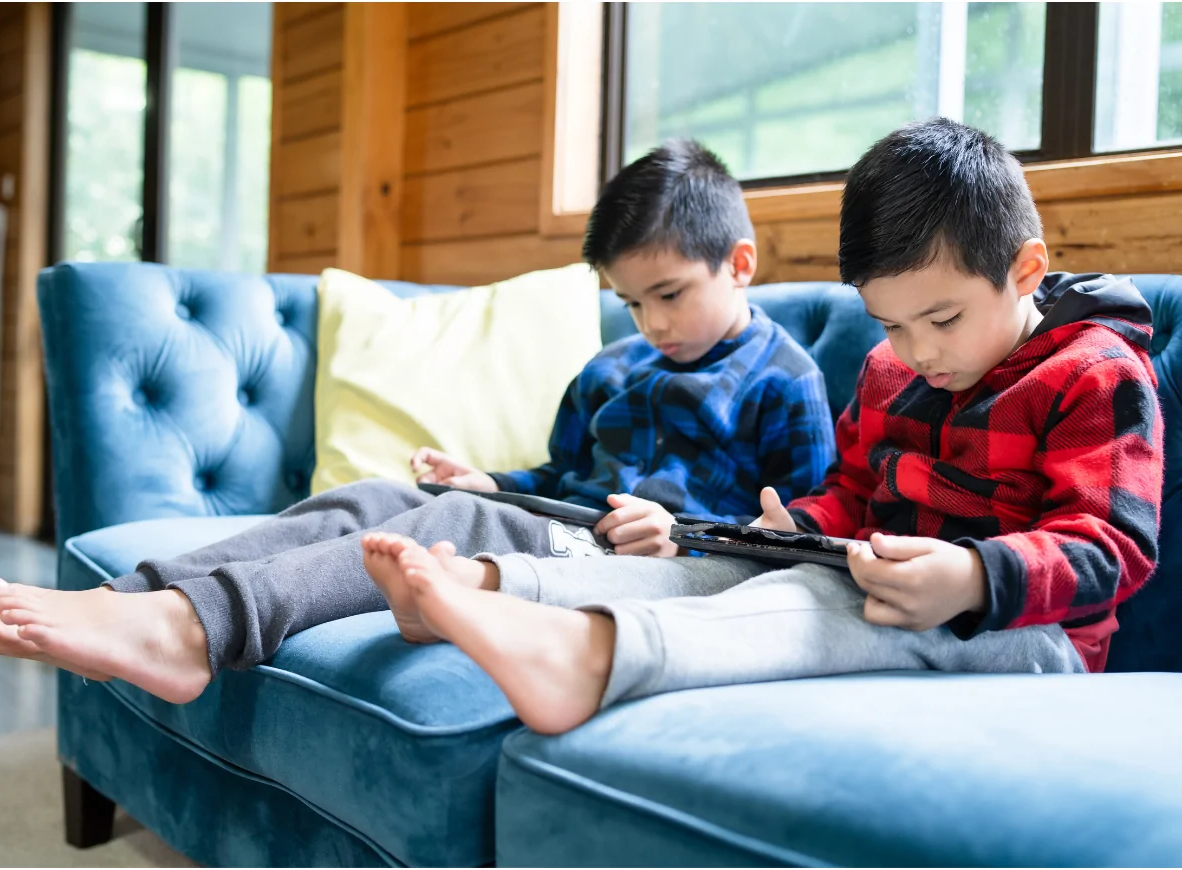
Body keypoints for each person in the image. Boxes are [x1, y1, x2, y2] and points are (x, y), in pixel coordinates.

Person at [356, 117, 1164, 735]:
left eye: (942, 319)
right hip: (877, 584)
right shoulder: (894, 371)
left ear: (1025, 270)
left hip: (1031, 638)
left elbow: (1113, 547)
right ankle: (488, 586)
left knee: (817, 609)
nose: (915, 353)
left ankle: (588, 658)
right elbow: (849, 491)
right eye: (889, 325)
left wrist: (975, 577)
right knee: (720, 562)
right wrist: (789, 528)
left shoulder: (1095, 372)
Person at [0, 140, 836, 704]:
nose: (652, 324)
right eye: (632, 302)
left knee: (452, 528)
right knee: (381, 492)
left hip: (649, 564)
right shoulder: (613, 369)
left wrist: (685, 535)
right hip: (569, 526)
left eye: (670, 296)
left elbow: (801, 536)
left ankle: (195, 632)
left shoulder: (784, 381)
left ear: (741, 263)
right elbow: (558, 479)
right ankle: (131, 598)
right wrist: (492, 480)